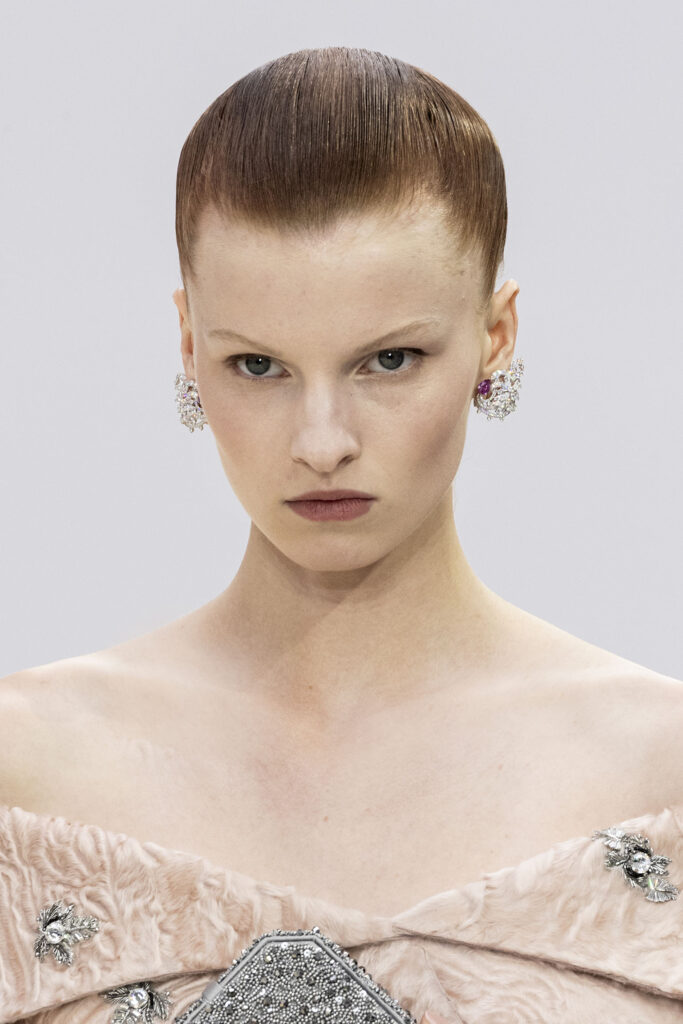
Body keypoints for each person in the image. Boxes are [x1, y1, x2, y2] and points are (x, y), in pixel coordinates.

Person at [1, 45, 681, 1024]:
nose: (321, 442)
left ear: (494, 335)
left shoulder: (658, 774)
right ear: (188, 343)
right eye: (258, 366)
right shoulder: (24, 773)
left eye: (388, 359)